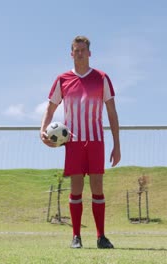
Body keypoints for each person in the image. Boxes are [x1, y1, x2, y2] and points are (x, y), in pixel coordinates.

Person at [40, 35, 121, 249]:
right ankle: (76, 236)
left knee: (97, 187)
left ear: (90, 53)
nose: (80, 53)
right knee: (75, 188)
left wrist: (117, 145)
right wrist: (42, 129)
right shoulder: (62, 80)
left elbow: (112, 113)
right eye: (76, 50)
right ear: (71, 53)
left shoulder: (101, 78)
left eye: (83, 50)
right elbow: (50, 108)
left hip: (96, 141)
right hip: (73, 143)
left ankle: (101, 236)